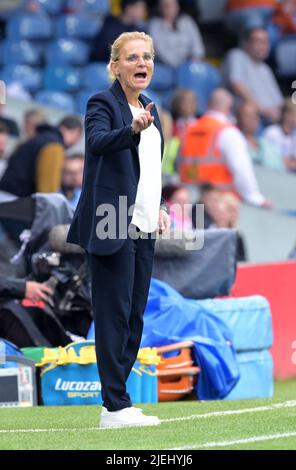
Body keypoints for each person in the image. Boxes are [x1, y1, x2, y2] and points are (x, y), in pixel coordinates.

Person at [67, 31, 170, 428]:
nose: (141, 63)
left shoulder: (150, 108)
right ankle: (115, 406)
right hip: (111, 221)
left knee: (134, 316)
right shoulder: (102, 103)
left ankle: (118, 400)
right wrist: (132, 129)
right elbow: (97, 142)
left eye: (147, 57)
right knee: (114, 315)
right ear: (115, 66)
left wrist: (159, 206)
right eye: (132, 58)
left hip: (143, 224)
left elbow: (150, 168)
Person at [179, 88, 271, 207]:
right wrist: (255, 198)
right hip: (218, 205)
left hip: (189, 200)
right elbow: (241, 169)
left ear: (208, 104)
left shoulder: (189, 129)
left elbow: (179, 162)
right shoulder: (228, 132)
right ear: (229, 108)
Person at [0, 116, 83, 198]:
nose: (74, 143)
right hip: (17, 201)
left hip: (7, 194)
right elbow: (47, 190)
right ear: (76, 132)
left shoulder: (39, 137)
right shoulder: (54, 146)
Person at [222, 27, 284, 123]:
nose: (264, 46)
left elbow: (279, 101)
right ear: (246, 43)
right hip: (245, 119)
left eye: (266, 42)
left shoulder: (265, 68)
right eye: (259, 42)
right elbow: (237, 85)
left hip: (271, 120)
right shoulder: (237, 55)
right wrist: (263, 110)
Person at [148, 0, 205, 68]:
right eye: (165, 5)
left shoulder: (187, 21)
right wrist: (178, 67)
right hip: (164, 66)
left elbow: (197, 46)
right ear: (159, 7)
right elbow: (159, 51)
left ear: (177, 6)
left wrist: (195, 60)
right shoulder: (154, 24)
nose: (169, 7)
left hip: (189, 64)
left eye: (172, 4)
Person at [237, 100, 284, 170]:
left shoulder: (269, 146)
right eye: (248, 115)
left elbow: (281, 172)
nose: (253, 119)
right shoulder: (234, 143)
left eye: (255, 115)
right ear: (238, 118)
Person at [264, 99, 296, 172]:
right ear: (287, 115)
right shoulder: (271, 132)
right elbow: (271, 160)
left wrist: (287, 162)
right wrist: (287, 162)